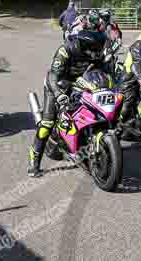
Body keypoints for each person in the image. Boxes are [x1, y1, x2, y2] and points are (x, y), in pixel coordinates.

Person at [27, 30, 109, 177]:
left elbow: (104, 71)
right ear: (85, 46)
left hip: (80, 83)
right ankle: (34, 161)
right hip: (57, 85)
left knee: (94, 110)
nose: (98, 53)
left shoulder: (96, 53)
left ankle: (84, 142)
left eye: (100, 49)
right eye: (96, 50)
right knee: (47, 124)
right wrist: (58, 94)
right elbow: (53, 75)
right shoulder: (65, 50)